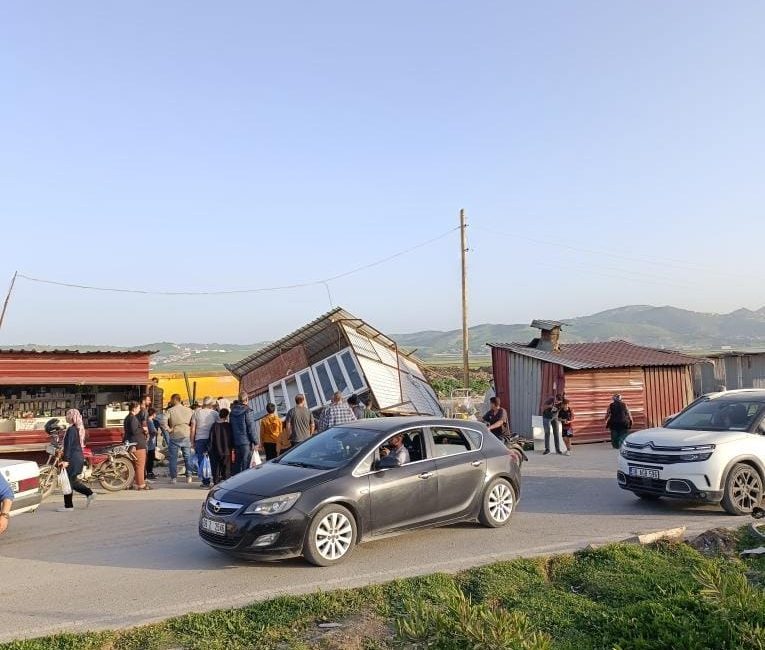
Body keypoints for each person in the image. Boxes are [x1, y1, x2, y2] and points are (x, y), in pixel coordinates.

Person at [58, 409, 96, 509]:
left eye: (67, 415)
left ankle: (68, 506)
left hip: (72, 459)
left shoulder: (71, 430)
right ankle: (89, 493)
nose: (66, 417)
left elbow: (69, 446)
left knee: (68, 482)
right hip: (77, 457)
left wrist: (66, 460)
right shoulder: (76, 429)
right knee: (73, 481)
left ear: (72, 417)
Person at [191, 396, 219, 488]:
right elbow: (218, 426)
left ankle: (205, 481)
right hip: (212, 439)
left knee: (201, 460)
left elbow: (193, 429)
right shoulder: (214, 413)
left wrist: (192, 441)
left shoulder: (196, 413)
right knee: (213, 459)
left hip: (200, 439)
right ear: (211, 404)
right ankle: (215, 479)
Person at [166, 394, 194, 484]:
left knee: (173, 458)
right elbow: (193, 422)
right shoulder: (189, 410)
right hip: (186, 433)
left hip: (175, 434)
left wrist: (168, 429)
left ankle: (174, 478)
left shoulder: (170, 410)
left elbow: (162, 420)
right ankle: (189, 476)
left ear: (174, 400)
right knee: (187, 456)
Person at [230, 392, 258, 474]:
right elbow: (251, 428)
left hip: (236, 441)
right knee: (246, 465)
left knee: (237, 464)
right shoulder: (247, 411)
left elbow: (231, 427)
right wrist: (256, 441)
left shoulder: (232, 412)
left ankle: (235, 483)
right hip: (246, 442)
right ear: (246, 399)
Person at [123, 401, 149, 490]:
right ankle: (141, 484)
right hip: (137, 444)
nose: (139, 409)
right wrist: (143, 429)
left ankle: (129, 483)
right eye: (138, 408)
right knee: (140, 465)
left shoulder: (127, 418)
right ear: (134, 408)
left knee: (132, 465)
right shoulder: (133, 418)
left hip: (130, 443)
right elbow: (135, 431)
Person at [209, 408, 233, 483]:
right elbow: (232, 438)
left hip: (215, 450)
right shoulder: (229, 426)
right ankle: (226, 482)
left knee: (216, 468)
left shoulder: (214, 426)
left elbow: (211, 439)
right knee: (226, 468)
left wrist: (209, 448)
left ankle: (216, 482)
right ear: (227, 416)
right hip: (226, 450)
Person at [145, 407, 159, 480]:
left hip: (149, 443)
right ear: (153, 414)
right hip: (150, 443)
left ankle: (149, 472)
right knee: (150, 458)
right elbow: (153, 431)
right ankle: (149, 472)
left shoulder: (147, 421)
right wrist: (156, 432)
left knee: (149, 458)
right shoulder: (150, 421)